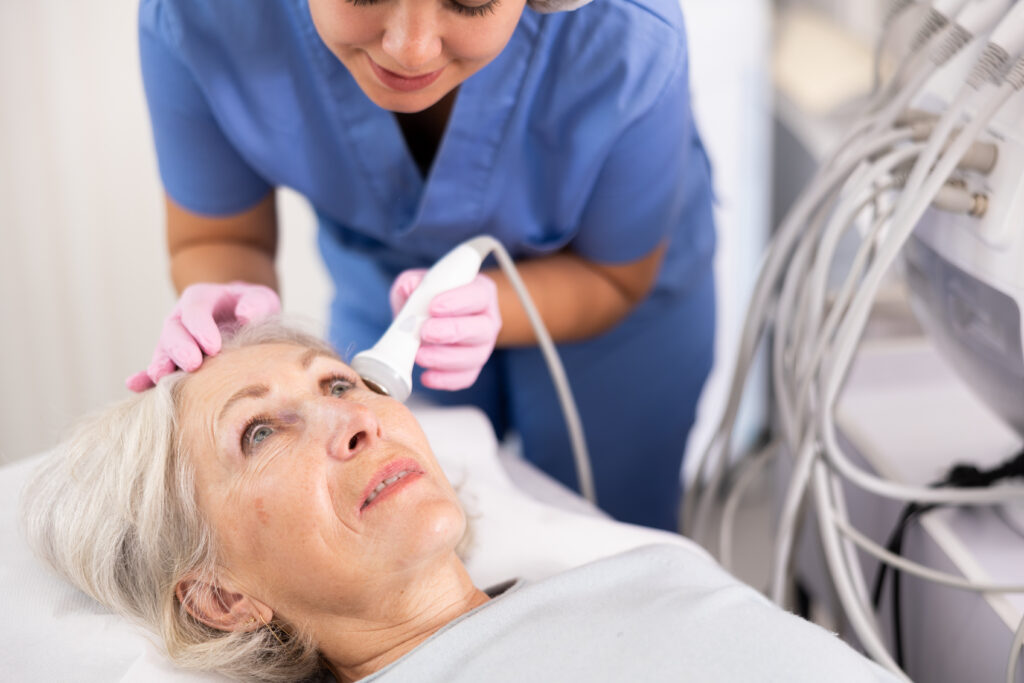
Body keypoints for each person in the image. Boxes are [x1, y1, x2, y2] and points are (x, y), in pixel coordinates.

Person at [126, 0, 717, 532]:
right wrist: (233, 315)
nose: (410, 48)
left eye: (470, 1)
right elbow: (222, 235)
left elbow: (616, 276)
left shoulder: (630, 34)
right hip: (386, 287)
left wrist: (500, 308)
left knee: (610, 536)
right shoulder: (198, 16)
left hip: (610, 307)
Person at [27, 323, 897, 682]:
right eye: (259, 431)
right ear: (221, 596)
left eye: (340, 378)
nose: (354, 416)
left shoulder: (651, 569)